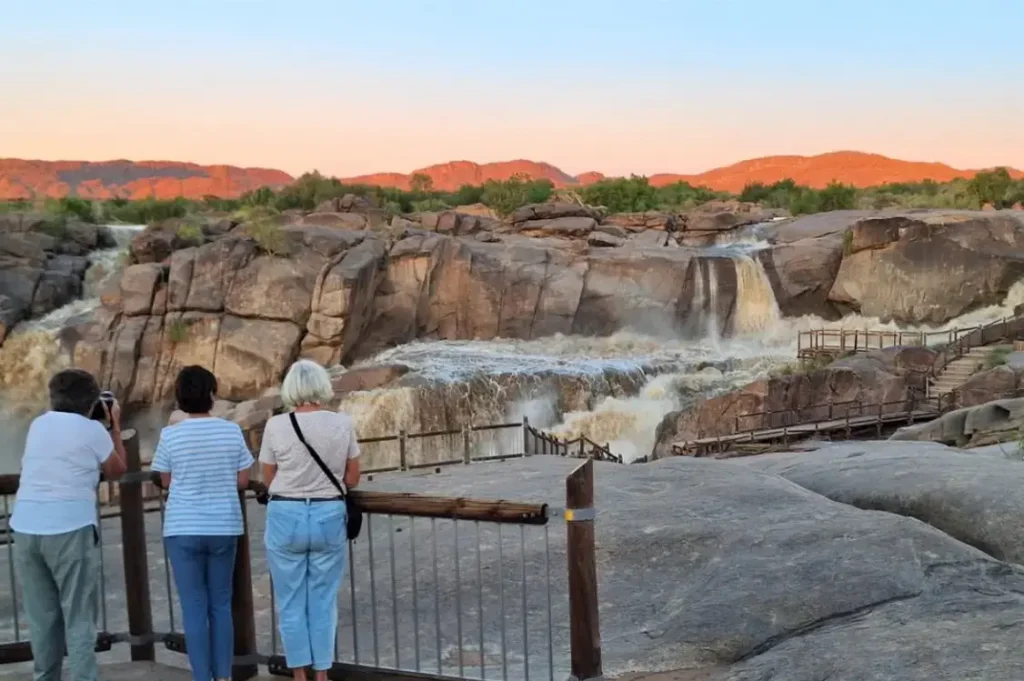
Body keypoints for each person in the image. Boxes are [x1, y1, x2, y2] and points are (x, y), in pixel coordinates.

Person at [11, 369, 127, 681]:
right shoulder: (93, 431)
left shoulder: (38, 424)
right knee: (78, 618)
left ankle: (45, 677)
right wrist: (114, 425)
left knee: (43, 618)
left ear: (53, 397)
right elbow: (117, 469)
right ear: (92, 402)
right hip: (69, 527)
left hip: (25, 526)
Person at [260, 360, 361, 681]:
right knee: (322, 600)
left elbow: (268, 476)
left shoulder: (276, 425)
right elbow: (353, 478)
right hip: (327, 515)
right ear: (321, 387)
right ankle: (322, 675)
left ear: (291, 389)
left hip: (285, 515)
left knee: (290, 601)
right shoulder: (342, 423)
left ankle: (299, 675)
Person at [151, 366, 254, 681]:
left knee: (194, 608)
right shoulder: (230, 431)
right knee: (220, 604)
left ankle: (202, 677)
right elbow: (243, 479)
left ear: (180, 398)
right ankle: (224, 675)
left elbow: (165, 479)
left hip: (183, 527)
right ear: (212, 394)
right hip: (223, 525)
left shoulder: (170, 435)